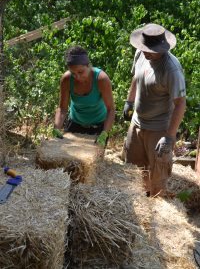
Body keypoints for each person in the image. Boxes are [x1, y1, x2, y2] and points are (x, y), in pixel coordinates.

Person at [123, 23, 186, 197]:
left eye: (149, 50)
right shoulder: (141, 53)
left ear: (162, 48)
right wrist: (129, 101)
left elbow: (180, 103)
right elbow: (136, 77)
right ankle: (140, 199)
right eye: (143, 48)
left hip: (159, 128)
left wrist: (169, 136)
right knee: (133, 170)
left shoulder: (171, 69)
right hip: (137, 123)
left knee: (158, 176)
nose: (145, 52)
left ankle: (155, 208)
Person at [53, 45, 115, 148]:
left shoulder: (101, 79)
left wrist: (104, 134)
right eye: (73, 73)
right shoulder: (67, 79)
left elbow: (111, 110)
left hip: (99, 127)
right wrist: (56, 128)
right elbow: (62, 109)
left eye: (81, 72)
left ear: (89, 66)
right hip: (75, 124)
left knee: (94, 162)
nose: (77, 77)